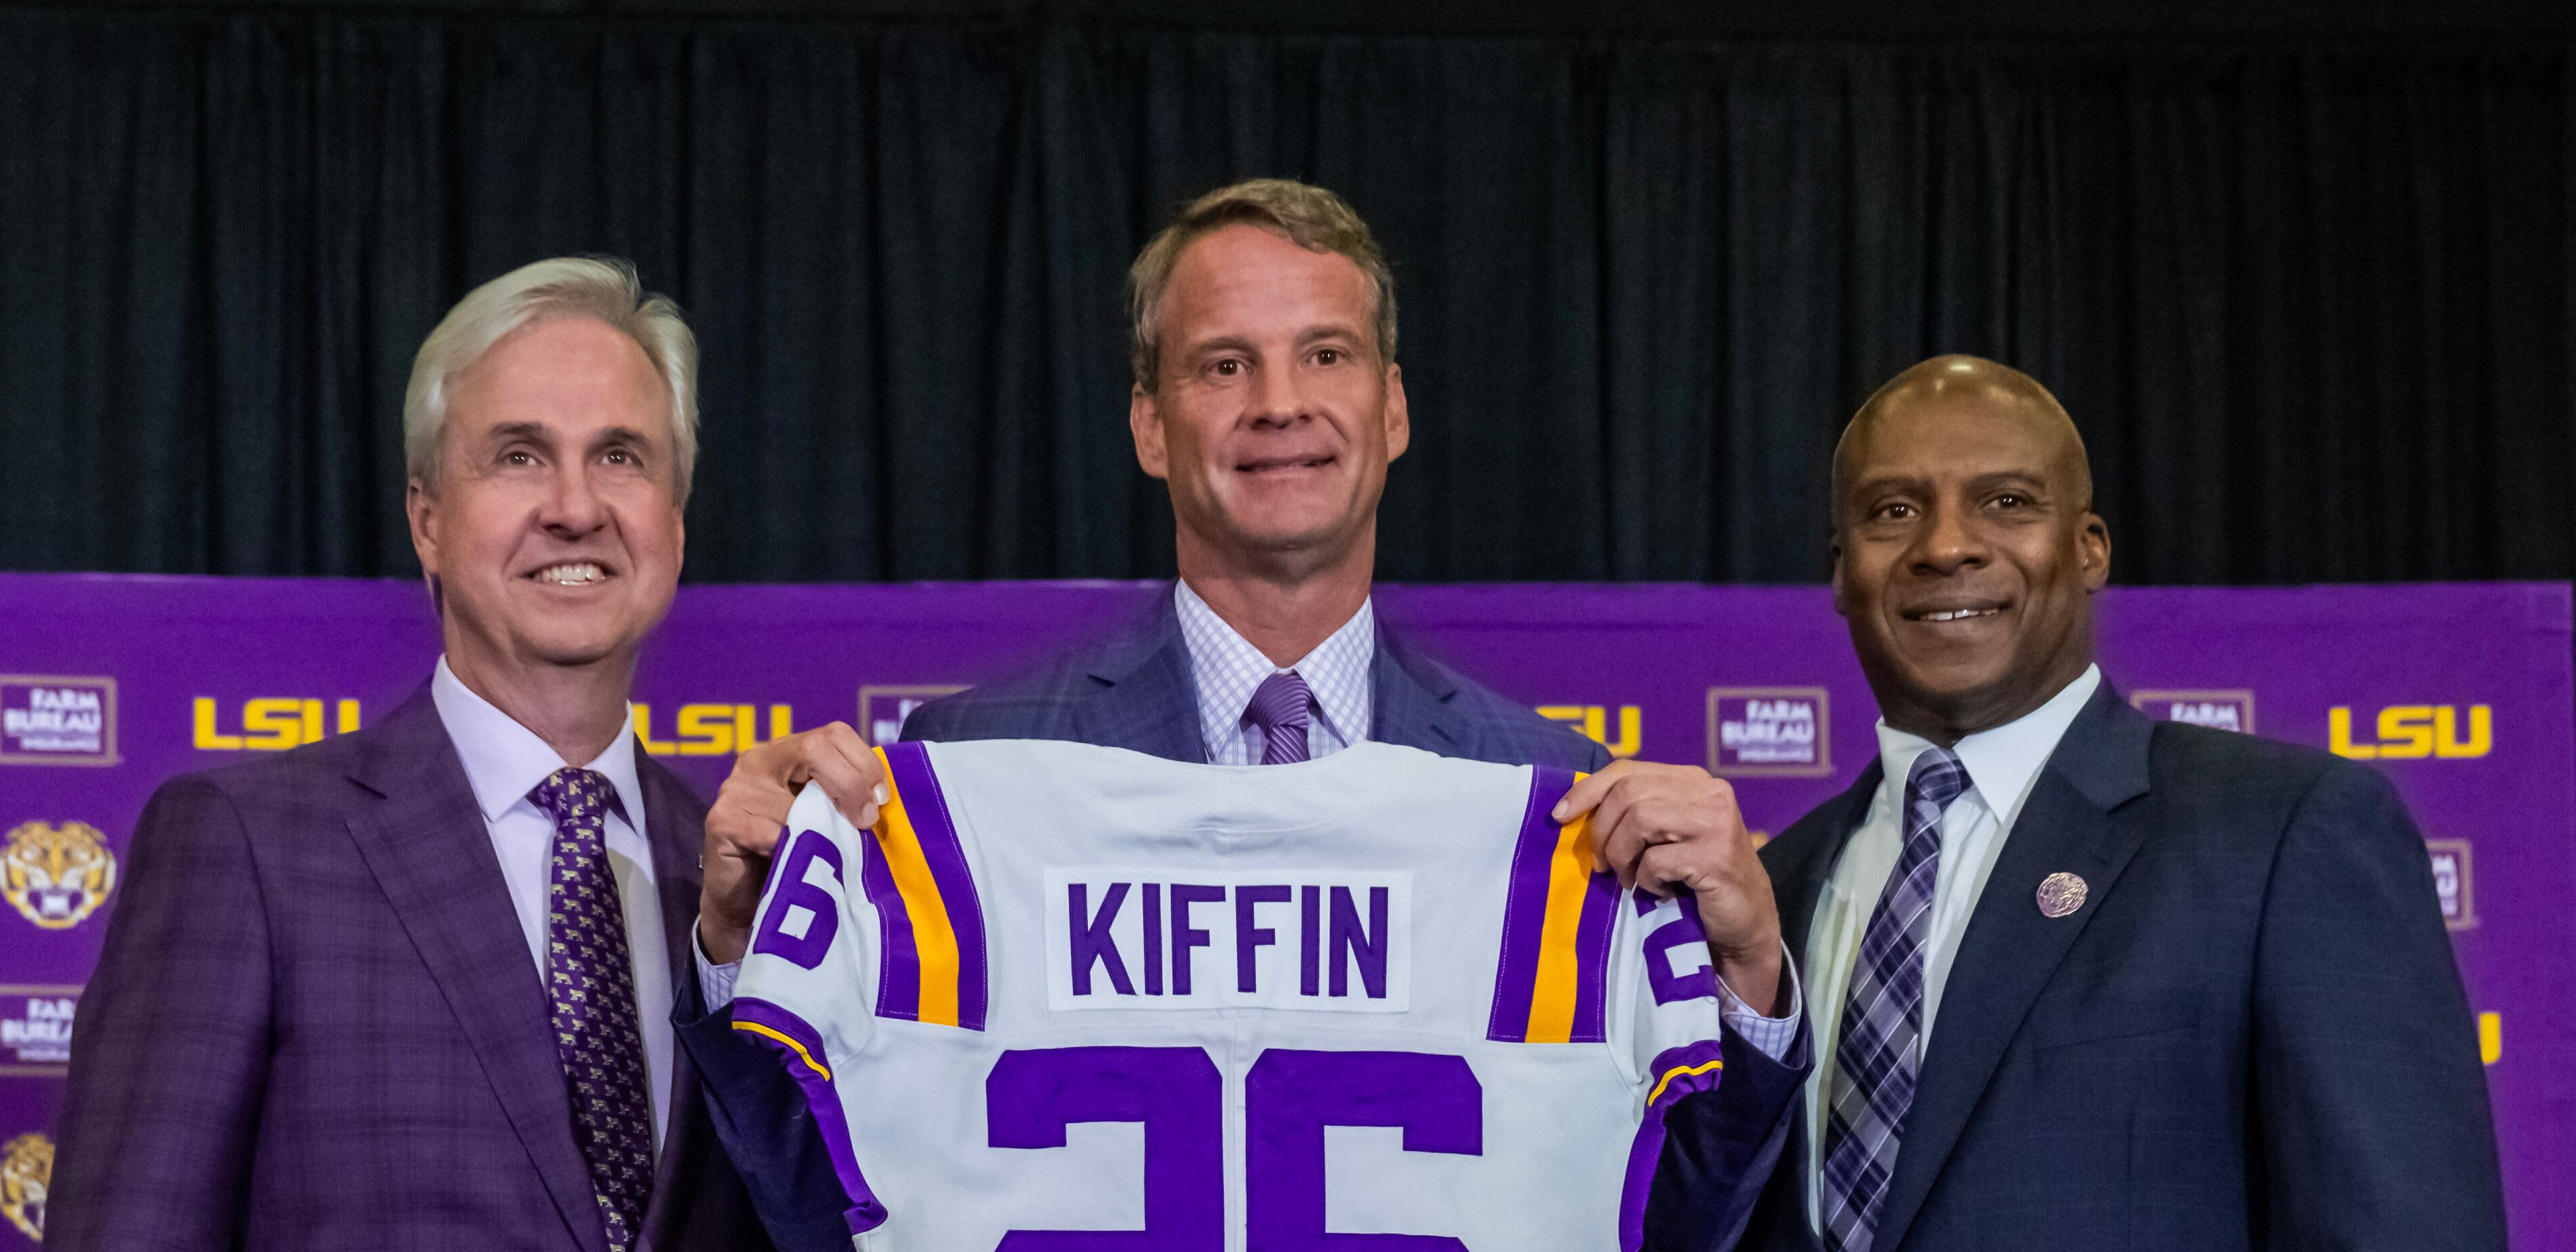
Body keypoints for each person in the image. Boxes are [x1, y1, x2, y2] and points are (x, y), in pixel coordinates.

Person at [678, 180, 1808, 1251]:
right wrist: (741, 950)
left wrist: (1750, 967)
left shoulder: (1555, 800)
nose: (1280, 404)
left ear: (1394, 405)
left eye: (1327, 354)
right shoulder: (963, 776)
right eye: (1225, 365)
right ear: (1149, 426)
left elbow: (1669, 1220)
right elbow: (825, 1198)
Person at [47, 259, 771, 1252]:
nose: (574, 506)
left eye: (621, 457)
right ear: (427, 519)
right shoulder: (247, 847)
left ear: (675, 527)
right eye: (519, 456)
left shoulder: (749, 884)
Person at [1741, 356, 2504, 1252]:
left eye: (2008, 502)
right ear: (1841, 571)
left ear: (2090, 548)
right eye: (1893, 511)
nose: (1945, 545)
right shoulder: (1770, 892)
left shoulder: (2288, 831)